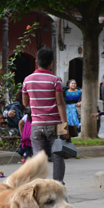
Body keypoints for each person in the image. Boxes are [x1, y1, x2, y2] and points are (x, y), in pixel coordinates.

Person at [22, 46, 69, 183]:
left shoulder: (27, 80)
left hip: (36, 125)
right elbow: (60, 104)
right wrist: (64, 127)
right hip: (54, 124)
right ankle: (58, 185)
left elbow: (26, 103)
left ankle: (39, 185)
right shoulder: (55, 80)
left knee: (38, 157)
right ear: (51, 63)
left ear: (37, 62)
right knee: (58, 156)